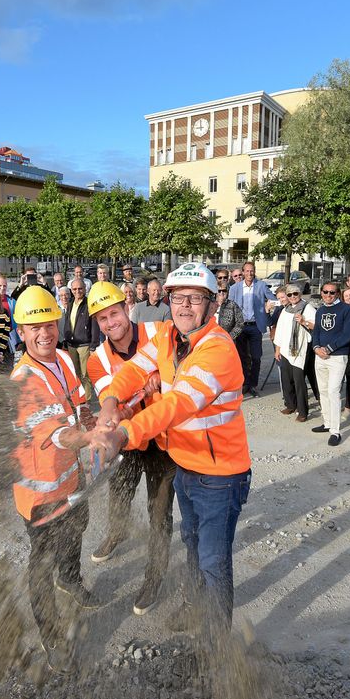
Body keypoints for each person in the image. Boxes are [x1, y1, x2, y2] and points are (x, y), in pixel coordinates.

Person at [90, 262, 251, 633]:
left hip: (220, 477)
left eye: (196, 299)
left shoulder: (218, 350)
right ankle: (195, 608)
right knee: (192, 545)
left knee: (213, 562)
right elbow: (133, 370)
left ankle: (216, 650)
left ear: (212, 305)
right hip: (186, 467)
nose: (185, 307)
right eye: (179, 298)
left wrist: (123, 434)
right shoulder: (165, 335)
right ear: (169, 300)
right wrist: (112, 399)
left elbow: (176, 403)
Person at [9, 285, 99, 672]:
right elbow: (58, 435)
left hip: (70, 475)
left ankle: (71, 578)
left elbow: (78, 401)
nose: (44, 333)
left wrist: (94, 419)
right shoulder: (23, 381)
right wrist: (92, 438)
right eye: (34, 328)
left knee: (78, 524)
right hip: (40, 490)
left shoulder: (62, 357)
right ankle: (52, 637)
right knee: (41, 563)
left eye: (48, 324)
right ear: (22, 333)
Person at [85, 282, 175, 615]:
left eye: (114, 313)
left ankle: (155, 576)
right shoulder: (97, 361)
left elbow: (180, 371)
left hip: (163, 437)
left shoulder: (159, 329)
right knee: (119, 493)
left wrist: (160, 378)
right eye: (102, 319)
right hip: (126, 438)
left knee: (159, 510)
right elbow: (115, 401)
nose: (111, 323)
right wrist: (143, 379)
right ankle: (117, 532)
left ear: (127, 306)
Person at [310, 281, 350, 446]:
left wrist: (328, 349)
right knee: (322, 390)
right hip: (320, 356)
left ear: (338, 293)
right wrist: (316, 348)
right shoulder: (321, 310)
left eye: (332, 292)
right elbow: (316, 331)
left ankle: (335, 431)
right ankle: (327, 422)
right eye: (325, 292)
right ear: (321, 292)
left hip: (337, 357)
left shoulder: (347, 310)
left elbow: (347, 335)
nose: (328, 295)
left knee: (333, 392)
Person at [228, 261, 277, 397]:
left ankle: (253, 384)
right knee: (242, 357)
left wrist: (269, 306)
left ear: (254, 272)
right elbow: (230, 307)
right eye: (247, 271)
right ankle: (245, 383)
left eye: (252, 271)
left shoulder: (261, 285)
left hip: (256, 325)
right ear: (243, 272)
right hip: (241, 326)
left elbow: (273, 300)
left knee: (256, 357)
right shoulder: (235, 288)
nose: (249, 273)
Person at [273, 285, 316, 422]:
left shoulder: (307, 307)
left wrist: (303, 321)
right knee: (287, 380)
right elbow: (279, 330)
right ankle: (291, 405)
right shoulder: (286, 310)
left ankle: (303, 411)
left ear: (300, 293)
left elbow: (316, 326)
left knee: (299, 381)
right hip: (285, 350)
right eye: (289, 294)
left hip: (299, 350)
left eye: (295, 294)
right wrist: (278, 349)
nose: (292, 297)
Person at [60, 278, 99, 399]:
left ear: (85, 289)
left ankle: (86, 400)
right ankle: (78, 398)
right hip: (71, 344)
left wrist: (93, 345)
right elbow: (68, 322)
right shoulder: (71, 303)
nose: (77, 291)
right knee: (75, 374)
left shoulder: (89, 304)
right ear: (71, 290)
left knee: (85, 374)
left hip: (84, 345)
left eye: (80, 288)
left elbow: (95, 326)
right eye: (75, 289)